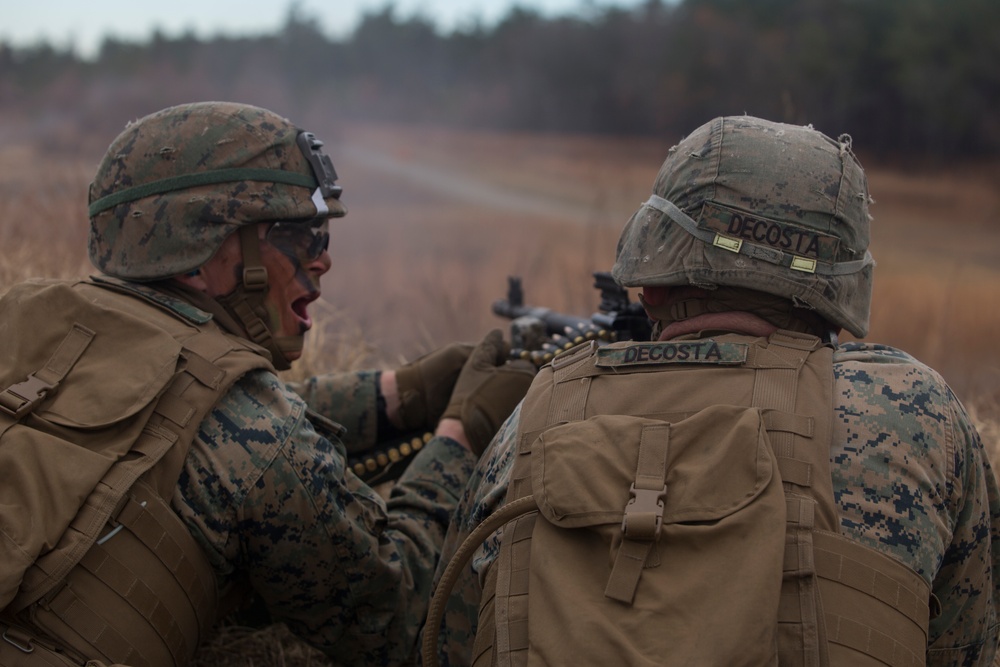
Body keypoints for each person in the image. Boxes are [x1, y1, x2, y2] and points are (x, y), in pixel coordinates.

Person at [422, 116, 1000, 666]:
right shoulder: (915, 412)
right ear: (841, 296)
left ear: (648, 286)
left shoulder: (530, 422)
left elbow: (447, 640)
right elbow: (969, 646)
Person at [0, 101, 535, 667]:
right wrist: (460, 437)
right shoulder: (258, 434)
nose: (323, 262)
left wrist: (397, 395)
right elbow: (400, 619)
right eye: (303, 237)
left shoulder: (26, 318)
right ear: (197, 253)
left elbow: (175, 421)